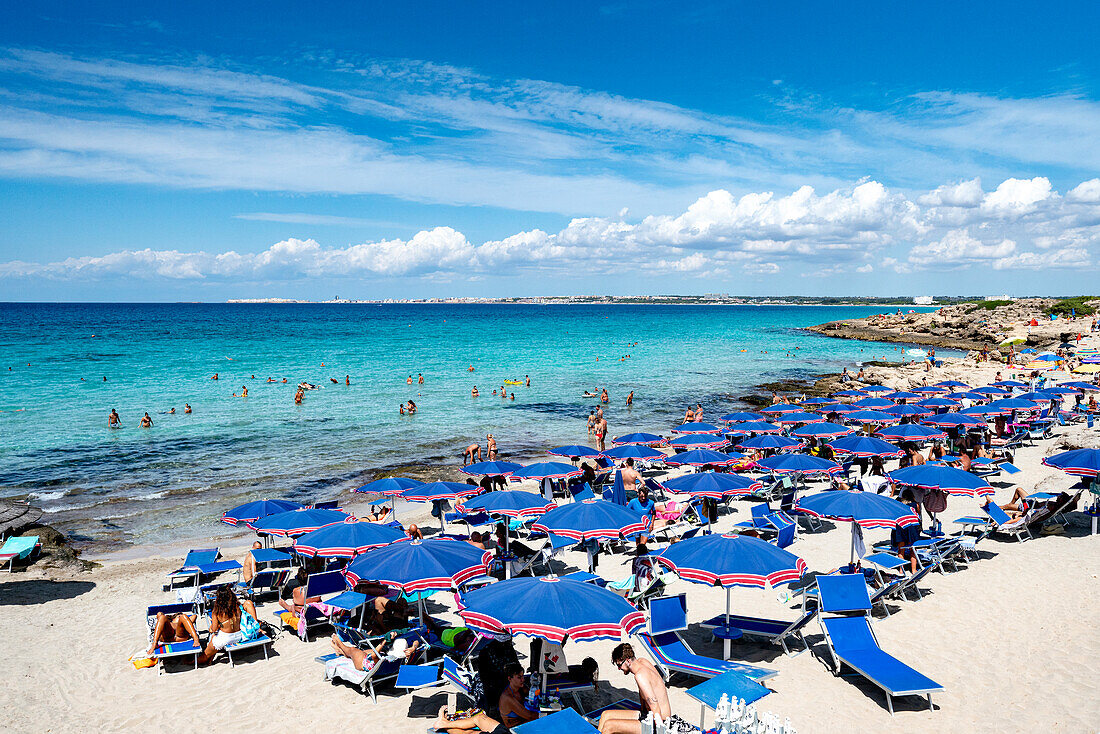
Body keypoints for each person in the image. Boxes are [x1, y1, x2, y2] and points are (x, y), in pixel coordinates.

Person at [598, 643, 675, 733]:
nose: (619, 669)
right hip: (647, 715)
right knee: (605, 715)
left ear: (628, 661)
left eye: (619, 665)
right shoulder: (643, 661)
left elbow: (655, 706)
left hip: (660, 721)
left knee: (609, 726)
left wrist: (660, 729)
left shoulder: (640, 676)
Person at [197, 585, 258, 665]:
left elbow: (214, 629)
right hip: (239, 636)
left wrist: (213, 627)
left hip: (226, 639)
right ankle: (210, 659)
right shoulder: (237, 606)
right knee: (215, 639)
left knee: (205, 654)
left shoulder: (217, 611)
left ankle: (193, 661)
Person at [329, 630, 421, 672]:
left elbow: (374, 655)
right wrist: (413, 648)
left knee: (352, 650)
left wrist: (385, 640)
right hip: (381, 657)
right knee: (363, 652)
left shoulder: (388, 661)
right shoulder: (404, 654)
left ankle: (340, 644)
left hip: (365, 664)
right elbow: (416, 640)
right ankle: (339, 651)